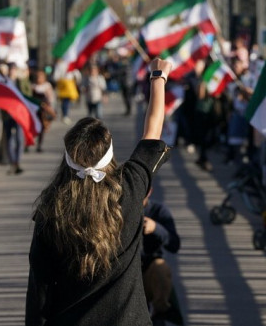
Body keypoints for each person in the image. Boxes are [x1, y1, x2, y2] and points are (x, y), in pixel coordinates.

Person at [26, 58, 172, 325]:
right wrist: (158, 77)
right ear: (109, 155)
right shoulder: (129, 188)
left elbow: (40, 288)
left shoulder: (51, 209)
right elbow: (153, 132)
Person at [142, 188, 181, 324]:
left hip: (148, 269)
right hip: (124, 270)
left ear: (150, 191)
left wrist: (156, 228)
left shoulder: (158, 211)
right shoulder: (120, 208)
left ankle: (161, 311)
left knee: (161, 268)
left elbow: (174, 245)